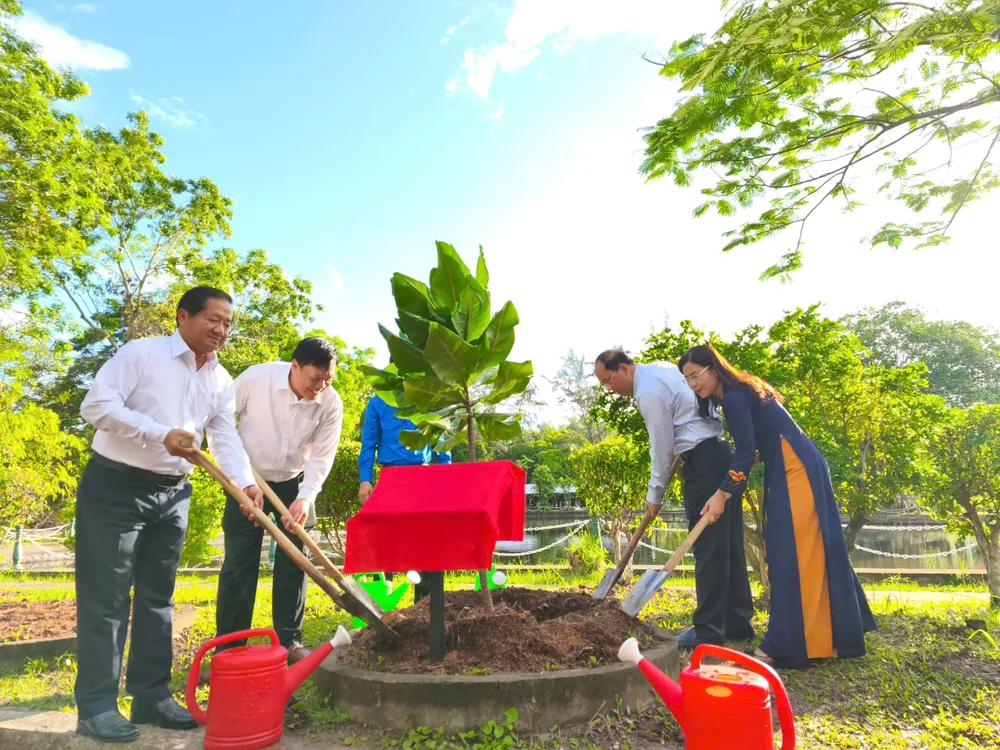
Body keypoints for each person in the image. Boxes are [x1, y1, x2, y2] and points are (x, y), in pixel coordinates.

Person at [75, 286, 262, 743]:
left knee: (159, 599)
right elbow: (95, 406)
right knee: (107, 599)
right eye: (213, 319)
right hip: (114, 486)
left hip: (173, 494)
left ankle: (151, 696)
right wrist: (161, 434)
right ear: (183, 317)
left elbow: (224, 437)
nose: (221, 330)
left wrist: (246, 483)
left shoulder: (221, 380)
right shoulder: (142, 354)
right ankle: (97, 706)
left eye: (228, 323)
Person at [678, 345, 877, 668]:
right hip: (787, 465)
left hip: (794, 468)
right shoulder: (737, 392)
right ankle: (828, 635)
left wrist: (721, 494)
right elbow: (754, 448)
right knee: (802, 548)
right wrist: (733, 478)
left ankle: (785, 644)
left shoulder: (735, 397)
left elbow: (744, 453)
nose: (693, 385)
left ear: (714, 368)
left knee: (794, 552)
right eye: (687, 380)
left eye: (696, 375)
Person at [594, 350, 755, 649]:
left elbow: (661, 447)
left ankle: (708, 629)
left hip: (704, 463)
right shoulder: (663, 369)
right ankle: (737, 621)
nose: (610, 389)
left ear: (625, 368)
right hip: (720, 455)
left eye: (608, 380)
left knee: (708, 548)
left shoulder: (648, 391)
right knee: (729, 543)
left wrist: (654, 495)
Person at [213, 337, 344, 667]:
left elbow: (323, 456)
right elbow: (221, 420)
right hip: (247, 478)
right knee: (240, 564)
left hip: (295, 483)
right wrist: (241, 480)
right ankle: (230, 648)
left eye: (328, 380)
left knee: (294, 564)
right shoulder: (257, 378)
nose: (321, 387)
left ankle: (289, 640)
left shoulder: (330, 401)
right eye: (316, 378)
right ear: (295, 365)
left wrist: (305, 497)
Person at [358, 392, 452, 601]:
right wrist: (365, 478)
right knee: (383, 543)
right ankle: (381, 603)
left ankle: (425, 607)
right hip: (391, 476)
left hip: (424, 476)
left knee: (427, 545)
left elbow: (441, 442)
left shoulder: (429, 398)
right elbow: (369, 441)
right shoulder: (378, 402)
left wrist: (446, 476)